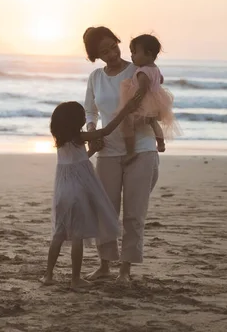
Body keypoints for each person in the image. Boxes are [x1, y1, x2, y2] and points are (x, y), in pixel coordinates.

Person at [83, 26, 160, 283]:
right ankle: (105, 264)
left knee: (134, 213)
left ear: (118, 43)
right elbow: (90, 112)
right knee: (105, 210)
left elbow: (155, 100)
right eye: (104, 51)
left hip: (141, 149)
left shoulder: (137, 69)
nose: (112, 54)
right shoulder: (95, 77)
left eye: (113, 46)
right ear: (96, 55)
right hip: (107, 151)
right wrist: (92, 131)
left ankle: (125, 270)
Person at [42, 99, 138, 290]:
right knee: (77, 236)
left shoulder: (60, 139)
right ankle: (75, 278)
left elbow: (78, 160)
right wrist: (124, 111)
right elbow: (106, 131)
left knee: (58, 235)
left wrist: (92, 149)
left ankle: (48, 275)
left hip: (62, 192)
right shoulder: (79, 137)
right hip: (77, 193)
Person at [117, 34, 180, 163]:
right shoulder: (155, 69)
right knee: (153, 122)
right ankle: (161, 143)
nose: (132, 56)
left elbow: (142, 89)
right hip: (156, 102)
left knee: (127, 123)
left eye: (134, 52)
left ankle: (130, 152)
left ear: (148, 53)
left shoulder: (143, 71)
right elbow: (160, 80)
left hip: (144, 103)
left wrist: (134, 103)